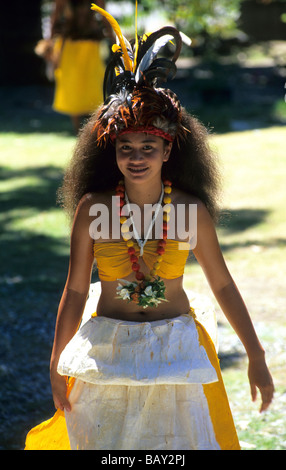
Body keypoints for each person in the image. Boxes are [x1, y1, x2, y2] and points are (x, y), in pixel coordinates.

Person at [25, 4, 274, 450]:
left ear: (168, 152)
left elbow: (223, 285)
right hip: (108, 347)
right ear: (111, 151)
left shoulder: (190, 211)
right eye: (125, 147)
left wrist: (255, 354)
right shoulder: (93, 209)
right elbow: (77, 291)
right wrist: (55, 361)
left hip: (174, 346)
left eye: (147, 147)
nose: (136, 157)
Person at [49, 0, 113, 133]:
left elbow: (105, 17)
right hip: (70, 44)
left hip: (91, 44)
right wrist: (50, 44)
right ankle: (77, 128)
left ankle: (94, 125)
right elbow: (55, 17)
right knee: (71, 83)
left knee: (94, 83)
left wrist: (114, 40)